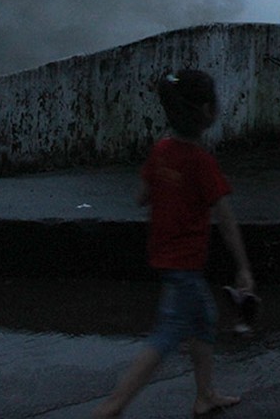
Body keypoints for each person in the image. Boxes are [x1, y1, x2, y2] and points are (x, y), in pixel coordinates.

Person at [94, 70, 254, 419]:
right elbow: (226, 221)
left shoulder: (162, 150)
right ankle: (114, 404)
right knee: (166, 334)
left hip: (165, 256)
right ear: (209, 111)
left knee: (204, 319)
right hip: (185, 263)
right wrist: (243, 268)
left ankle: (205, 395)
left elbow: (141, 197)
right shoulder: (202, 163)